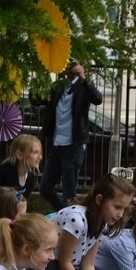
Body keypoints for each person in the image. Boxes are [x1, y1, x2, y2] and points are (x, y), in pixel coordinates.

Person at [39, 60, 103, 211]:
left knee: (69, 194)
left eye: (74, 66)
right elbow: (37, 100)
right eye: (68, 66)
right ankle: (64, 214)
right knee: (45, 189)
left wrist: (83, 78)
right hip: (56, 144)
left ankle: (73, 223)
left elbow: (98, 99)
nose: (69, 69)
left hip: (73, 146)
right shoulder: (58, 87)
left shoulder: (83, 86)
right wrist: (39, 81)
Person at [0, 134, 42, 204]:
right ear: (19, 155)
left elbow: (23, 201)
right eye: (35, 152)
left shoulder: (31, 178)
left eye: (40, 153)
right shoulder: (6, 171)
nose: (40, 157)